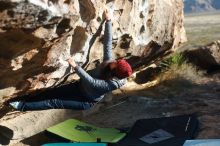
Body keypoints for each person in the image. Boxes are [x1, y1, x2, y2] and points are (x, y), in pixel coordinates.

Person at [9, 9, 132, 111]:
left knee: (54, 101)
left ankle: (22, 106)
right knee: (51, 93)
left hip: (85, 100)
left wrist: (76, 66)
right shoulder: (110, 64)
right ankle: (25, 100)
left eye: (117, 64)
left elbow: (93, 83)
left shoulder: (112, 84)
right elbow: (107, 44)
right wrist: (108, 21)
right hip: (79, 86)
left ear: (115, 71)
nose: (115, 61)